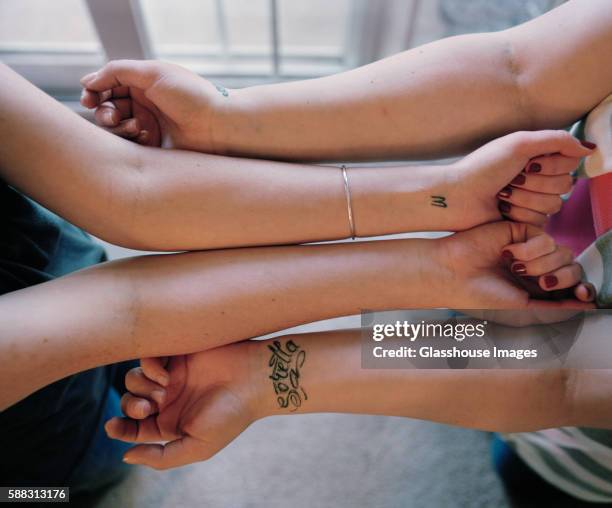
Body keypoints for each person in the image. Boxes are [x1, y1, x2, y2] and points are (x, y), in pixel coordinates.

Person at [0, 62, 593, 494]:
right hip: (39, 460)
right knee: (52, 482)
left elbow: (565, 374)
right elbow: (560, 368)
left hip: (563, 444)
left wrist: (435, 251)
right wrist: (433, 254)